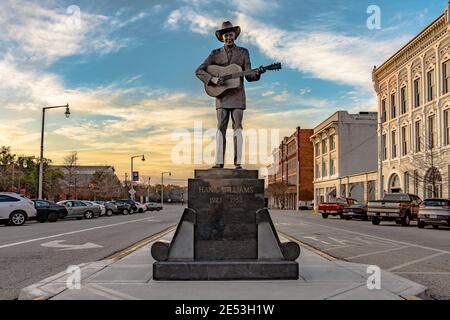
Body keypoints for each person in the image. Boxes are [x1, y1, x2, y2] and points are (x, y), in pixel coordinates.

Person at [196, 21, 265, 169]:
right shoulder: (215, 54)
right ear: (222, 37)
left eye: (231, 35)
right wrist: (213, 79)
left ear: (235, 36)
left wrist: (257, 73)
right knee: (221, 126)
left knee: (238, 127)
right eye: (226, 35)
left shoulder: (243, 52)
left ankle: (237, 163)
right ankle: (219, 162)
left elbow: (249, 76)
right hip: (221, 96)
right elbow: (199, 71)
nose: (229, 38)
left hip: (238, 95)